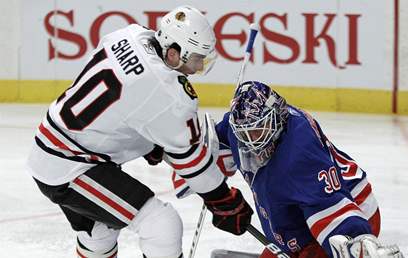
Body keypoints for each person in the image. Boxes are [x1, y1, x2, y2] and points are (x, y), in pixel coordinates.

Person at [26, 5, 253, 258]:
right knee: (161, 226)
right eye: (197, 58)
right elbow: (190, 161)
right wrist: (223, 200)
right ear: (174, 53)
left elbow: (125, 101)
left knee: (100, 233)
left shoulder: (129, 35)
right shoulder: (169, 92)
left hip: (55, 146)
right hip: (70, 166)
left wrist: (149, 141)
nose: (199, 67)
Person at [211, 81, 404, 258]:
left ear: (276, 117)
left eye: (257, 130)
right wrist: (211, 189)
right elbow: (213, 146)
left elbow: (329, 207)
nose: (251, 140)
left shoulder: (298, 153)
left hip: (349, 209)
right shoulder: (241, 126)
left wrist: (355, 244)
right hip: (298, 214)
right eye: (244, 133)